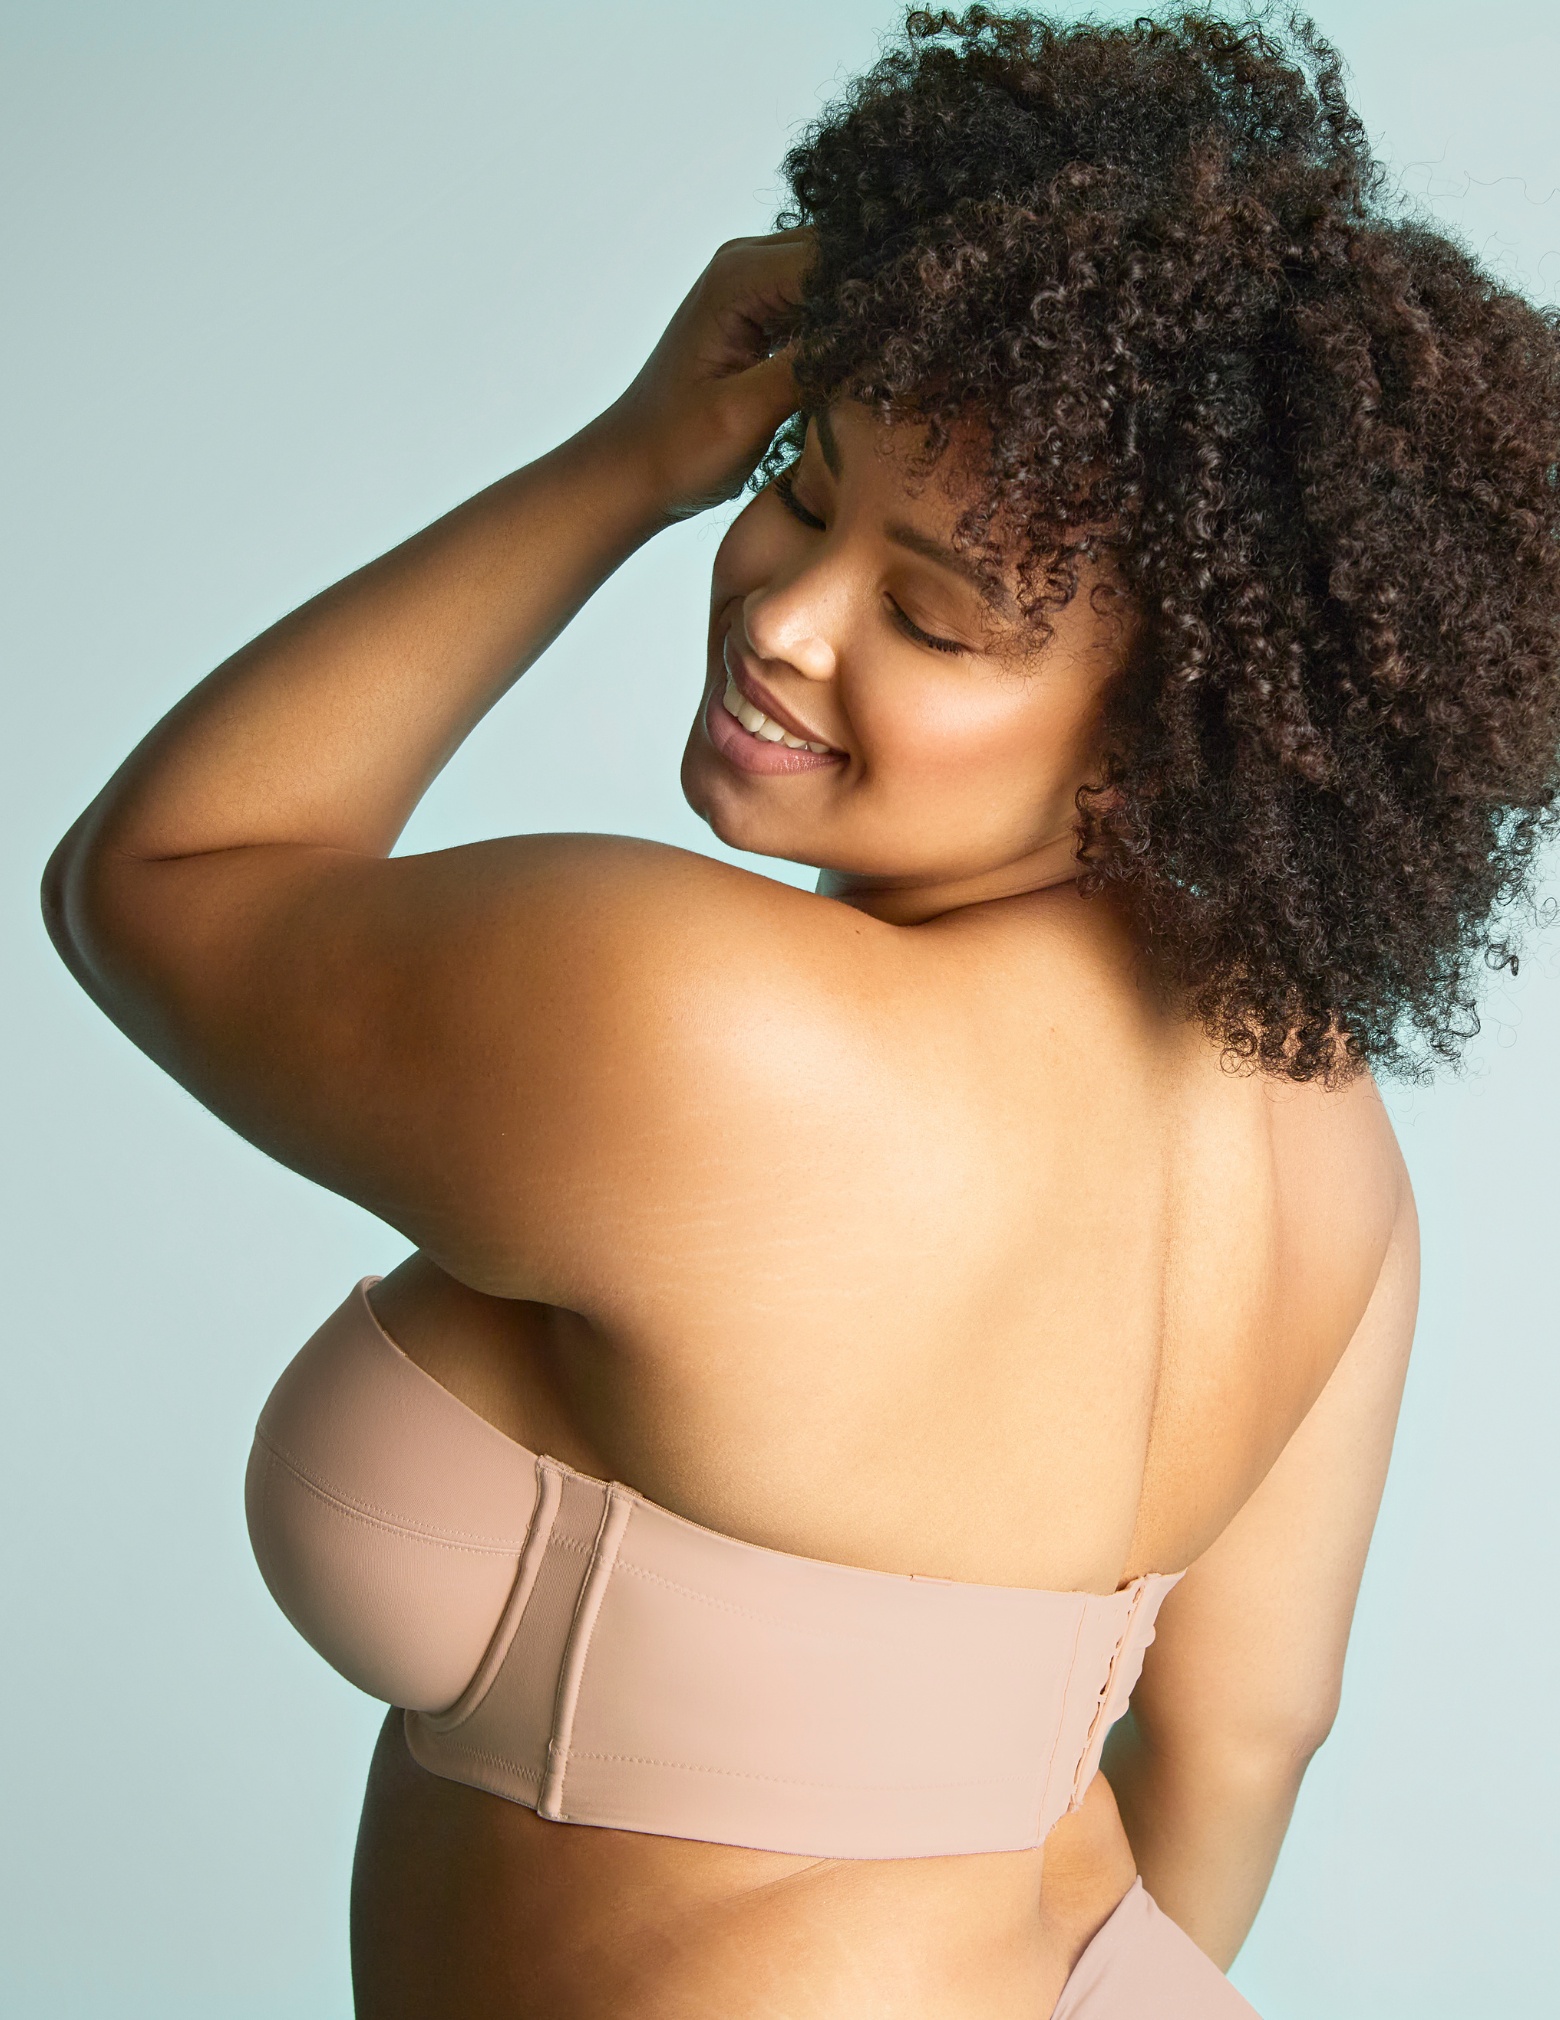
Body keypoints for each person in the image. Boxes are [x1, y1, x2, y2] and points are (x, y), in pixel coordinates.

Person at [40, 5, 1560, 2016]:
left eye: (932, 613)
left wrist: (628, 462)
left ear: (1164, 740)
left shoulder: (710, 1027)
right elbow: (1243, 1732)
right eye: (791, 480)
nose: (781, 608)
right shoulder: (1322, 1132)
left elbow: (160, 879)